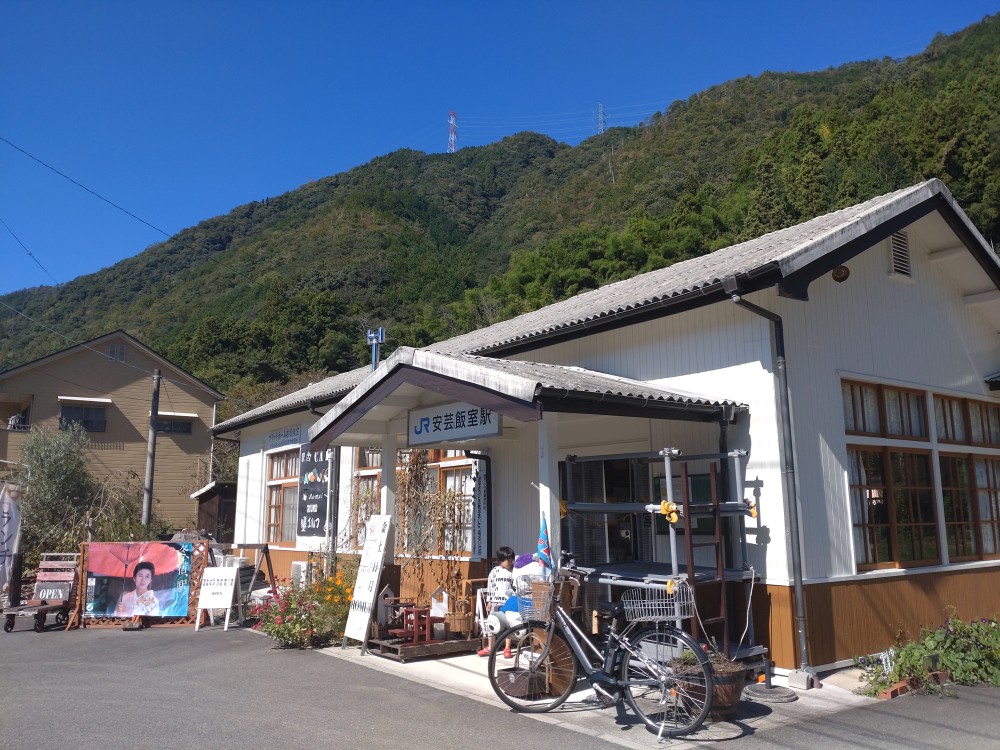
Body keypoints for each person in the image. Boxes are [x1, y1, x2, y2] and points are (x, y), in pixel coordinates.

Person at [478, 546, 515, 657]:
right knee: (492, 623)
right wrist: (489, 600)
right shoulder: (494, 572)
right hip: (495, 602)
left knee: (508, 624)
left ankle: (507, 648)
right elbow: (490, 586)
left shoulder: (512, 572)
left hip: (507, 603)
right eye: (507, 560)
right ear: (501, 559)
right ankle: (490, 647)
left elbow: (514, 587)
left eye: (511, 560)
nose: (510, 562)